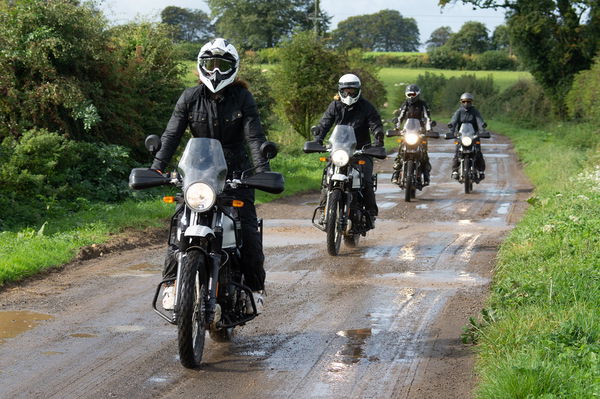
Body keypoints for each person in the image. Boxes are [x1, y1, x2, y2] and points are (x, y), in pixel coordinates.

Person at [151, 38, 270, 313]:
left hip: (236, 174)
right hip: (197, 173)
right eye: (210, 64)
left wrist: (261, 172)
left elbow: (254, 137)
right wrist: (158, 167)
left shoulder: (243, 98)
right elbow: (171, 135)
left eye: (222, 64)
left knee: (247, 232)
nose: (215, 71)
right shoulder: (189, 98)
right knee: (180, 227)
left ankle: (255, 287)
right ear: (201, 66)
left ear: (234, 68)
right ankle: (171, 284)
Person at [311, 73, 384, 225]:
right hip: (339, 150)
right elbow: (325, 123)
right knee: (328, 178)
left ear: (358, 90)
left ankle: (370, 213)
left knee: (366, 181)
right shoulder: (335, 105)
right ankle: (324, 211)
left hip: (361, 151)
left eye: (352, 90)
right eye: (346, 91)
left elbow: (375, 123)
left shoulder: (366, 106)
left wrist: (378, 137)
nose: (349, 94)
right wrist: (318, 138)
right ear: (340, 91)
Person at [391, 84, 433, 186]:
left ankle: (426, 175)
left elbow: (427, 118)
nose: (411, 96)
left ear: (417, 94)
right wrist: (397, 128)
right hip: (408, 132)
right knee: (401, 152)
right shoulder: (405, 104)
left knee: (424, 154)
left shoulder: (422, 105)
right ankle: (396, 174)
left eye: (413, 94)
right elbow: (400, 117)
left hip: (419, 133)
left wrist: (428, 129)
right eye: (409, 94)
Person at [449, 92, 487, 180]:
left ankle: (481, 171)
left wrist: (482, 130)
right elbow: (453, 122)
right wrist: (451, 131)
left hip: (473, 136)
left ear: (471, 102)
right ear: (461, 102)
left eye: (468, 101)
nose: (466, 103)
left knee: (478, 152)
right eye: (464, 102)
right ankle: (455, 171)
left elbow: (479, 121)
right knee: (457, 153)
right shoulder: (459, 112)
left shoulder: (475, 111)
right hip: (462, 136)